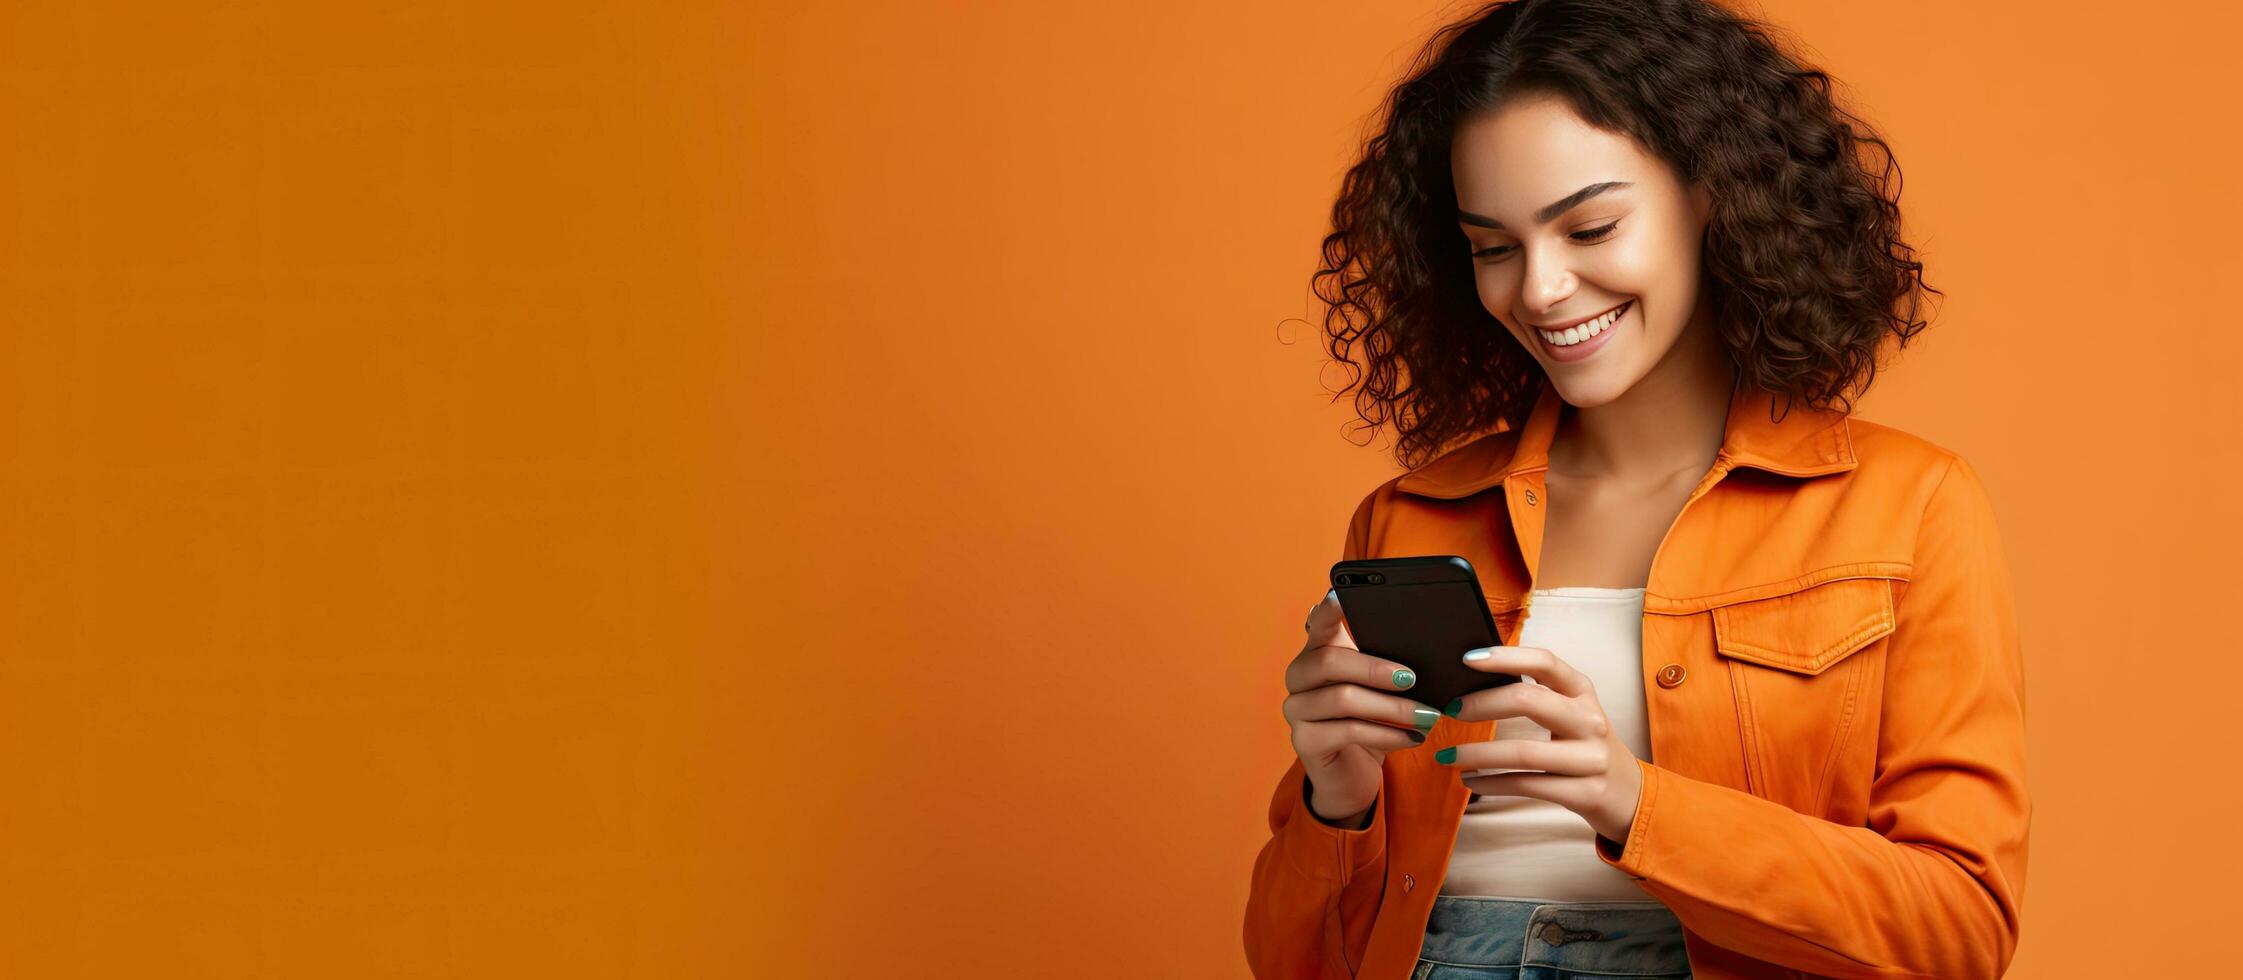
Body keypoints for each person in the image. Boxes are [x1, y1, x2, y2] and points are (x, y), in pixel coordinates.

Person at [1242, 2, 2030, 979]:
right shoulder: (1409, 517)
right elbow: (1293, 961)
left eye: (1589, 225)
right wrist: (1336, 796)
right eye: (1493, 246)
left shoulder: (1908, 504)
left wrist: (1634, 801)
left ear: (1713, 197)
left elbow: (1958, 931)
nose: (1537, 288)